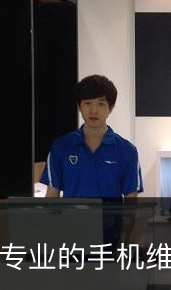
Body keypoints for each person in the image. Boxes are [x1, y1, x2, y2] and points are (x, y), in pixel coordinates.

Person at [41, 75, 143, 244]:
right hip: (71, 239)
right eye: (87, 103)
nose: (94, 110)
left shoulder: (127, 151)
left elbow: (131, 202)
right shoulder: (61, 147)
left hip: (110, 238)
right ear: (79, 106)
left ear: (111, 108)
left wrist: (125, 244)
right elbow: (52, 195)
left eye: (101, 104)